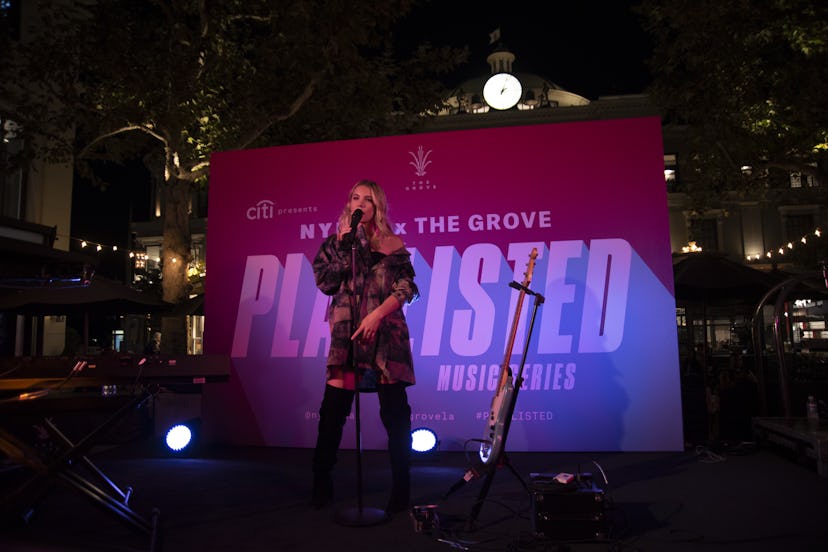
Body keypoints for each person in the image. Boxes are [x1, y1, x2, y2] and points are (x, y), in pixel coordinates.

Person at [310, 179, 419, 514]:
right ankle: (321, 483)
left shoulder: (393, 243)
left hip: (387, 336)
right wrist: (344, 246)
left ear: (377, 206)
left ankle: (401, 490)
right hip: (348, 337)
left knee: (396, 417)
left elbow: (408, 287)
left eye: (367, 199)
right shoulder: (336, 243)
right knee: (332, 415)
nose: (360, 203)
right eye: (355, 197)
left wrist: (376, 316)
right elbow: (326, 284)